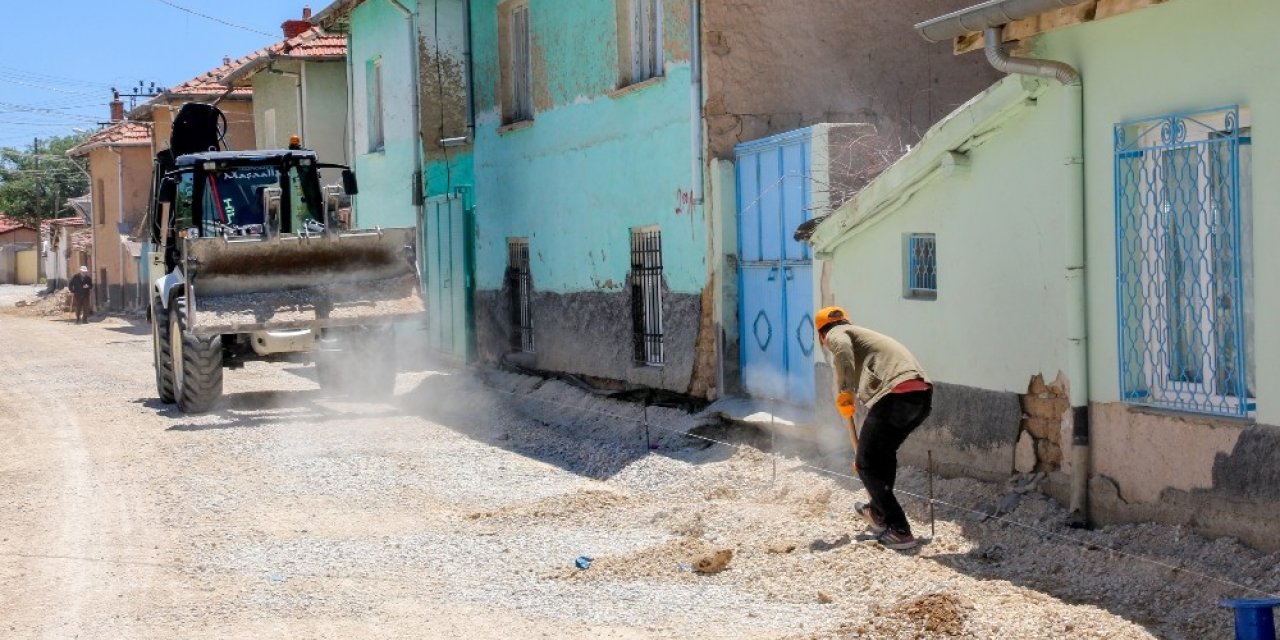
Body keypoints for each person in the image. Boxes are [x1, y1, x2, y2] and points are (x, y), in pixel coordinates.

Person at [816, 306, 933, 550]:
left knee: (865, 463)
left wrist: (845, 390)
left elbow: (843, 354)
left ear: (821, 336)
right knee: (882, 455)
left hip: (896, 396)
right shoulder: (862, 334)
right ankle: (878, 512)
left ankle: (900, 530)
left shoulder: (837, 334)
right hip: (920, 397)